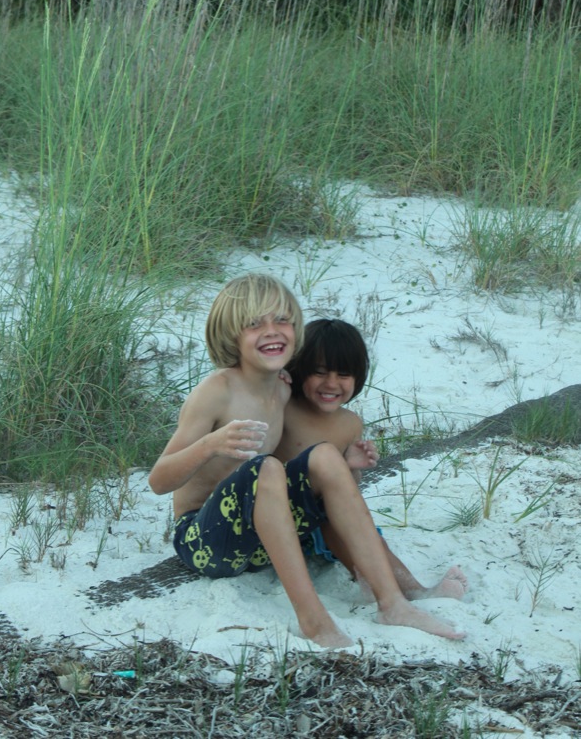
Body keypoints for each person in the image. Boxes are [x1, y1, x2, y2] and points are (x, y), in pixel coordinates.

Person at [148, 274, 465, 648]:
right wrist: (210, 445)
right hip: (205, 542)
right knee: (266, 468)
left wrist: (345, 466)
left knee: (326, 455)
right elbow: (158, 481)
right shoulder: (218, 390)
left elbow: (312, 459)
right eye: (255, 323)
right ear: (230, 334)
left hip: (259, 544)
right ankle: (315, 622)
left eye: (282, 320)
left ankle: (393, 603)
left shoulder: (281, 389)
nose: (271, 330)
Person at [275, 317, 468, 603]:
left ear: (358, 376)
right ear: (299, 368)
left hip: (319, 526)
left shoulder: (349, 423)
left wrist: (351, 468)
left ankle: (412, 588)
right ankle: (383, 586)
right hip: (277, 518)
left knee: (362, 531)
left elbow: (346, 493)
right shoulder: (282, 405)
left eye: (343, 374)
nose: (331, 383)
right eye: (319, 372)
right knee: (331, 518)